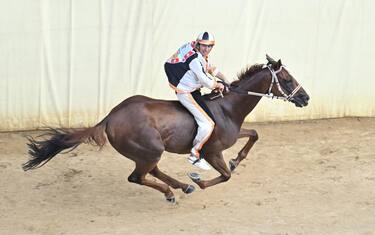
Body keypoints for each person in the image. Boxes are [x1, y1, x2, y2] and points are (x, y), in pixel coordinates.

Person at [164, 32, 229, 170]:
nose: (206, 49)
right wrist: (218, 85)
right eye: (204, 46)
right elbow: (206, 81)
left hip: (191, 88)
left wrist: (226, 80)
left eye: (209, 46)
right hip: (186, 92)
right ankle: (195, 154)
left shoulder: (197, 51)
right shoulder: (194, 59)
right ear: (198, 44)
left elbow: (210, 68)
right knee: (208, 124)